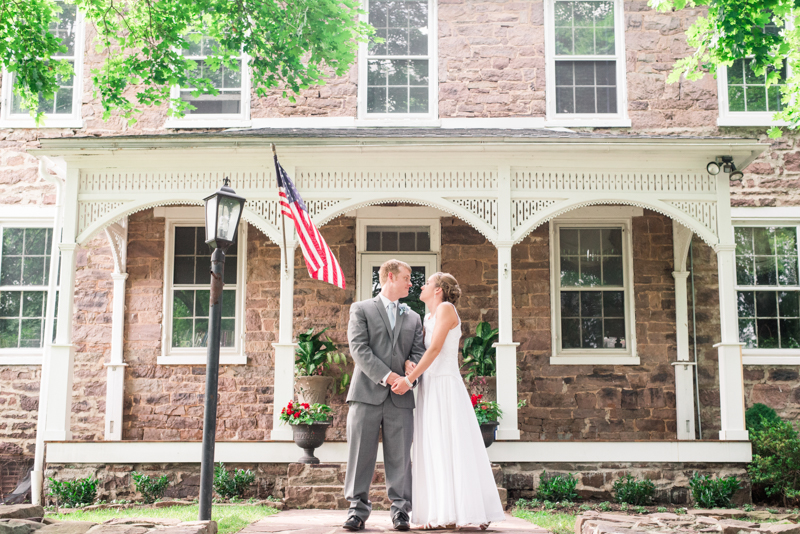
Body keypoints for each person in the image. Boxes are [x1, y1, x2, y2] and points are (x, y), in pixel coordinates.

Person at [391, 272, 506, 530]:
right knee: (433, 447)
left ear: (439, 290)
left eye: (427, 282)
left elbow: (435, 350)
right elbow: (423, 352)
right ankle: (440, 512)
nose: (422, 285)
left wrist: (409, 381)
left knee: (452, 445)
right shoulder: (427, 317)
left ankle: (469, 510)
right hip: (429, 387)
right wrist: (411, 364)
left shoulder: (446, 309)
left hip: (444, 386)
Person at [343, 259, 425, 532]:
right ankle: (356, 511)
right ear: (390, 277)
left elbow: (417, 353)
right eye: (407, 278)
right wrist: (389, 377)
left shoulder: (413, 317)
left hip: (401, 398)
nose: (410, 283)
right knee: (360, 456)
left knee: (401, 457)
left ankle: (401, 512)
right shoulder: (362, 309)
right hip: (366, 394)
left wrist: (410, 372)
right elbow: (359, 349)